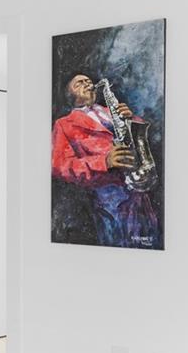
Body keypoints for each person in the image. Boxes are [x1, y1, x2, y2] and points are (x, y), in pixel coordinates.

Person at [50, 72, 158, 247]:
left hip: (139, 192)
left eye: (88, 81)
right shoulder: (63, 124)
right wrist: (104, 162)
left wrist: (130, 119)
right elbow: (60, 166)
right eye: (79, 83)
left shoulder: (110, 111)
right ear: (68, 94)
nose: (87, 84)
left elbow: (134, 136)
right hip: (110, 201)